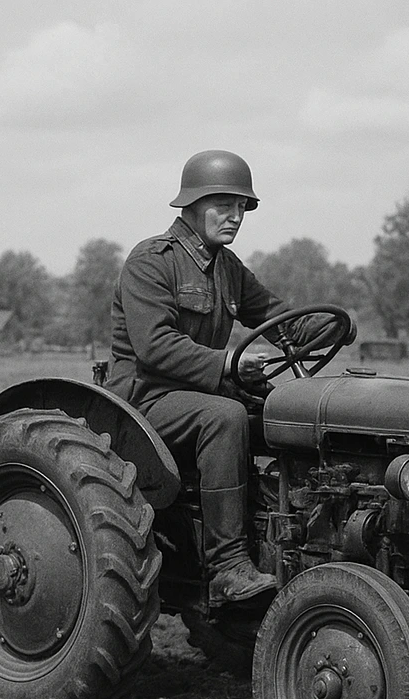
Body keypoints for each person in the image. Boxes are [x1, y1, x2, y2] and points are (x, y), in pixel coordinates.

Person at [106, 149, 331, 607]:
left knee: (285, 415)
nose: (235, 217)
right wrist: (227, 365)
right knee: (225, 417)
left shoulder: (227, 268)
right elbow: (155, 346)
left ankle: (300, 543)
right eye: (223, 205)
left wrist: (324, 325)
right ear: (191, 205)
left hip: (197, 395)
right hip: (144, 402)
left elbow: (276, 317)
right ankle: (227, 566)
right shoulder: (151, 261)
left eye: (241, 207)